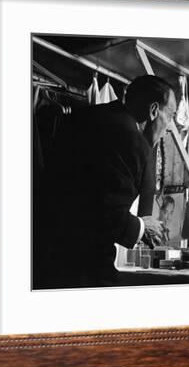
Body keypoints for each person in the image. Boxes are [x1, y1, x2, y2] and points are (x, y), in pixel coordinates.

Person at [33, 75, 177, 289]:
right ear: (154, 110)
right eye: (171, 116)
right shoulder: (131, 140)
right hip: (79, 269)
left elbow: (84, 194)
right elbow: (104, 211)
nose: (170, 127)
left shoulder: (88, 116)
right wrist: (141, 227)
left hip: (40, 257)